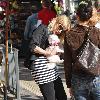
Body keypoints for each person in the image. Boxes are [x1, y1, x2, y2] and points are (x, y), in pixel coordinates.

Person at [64, 1, 100, 100]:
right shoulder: (97, 32)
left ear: (77, 15)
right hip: (95, 77)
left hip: (77, 78)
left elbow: (67, 62)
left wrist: (69, 84)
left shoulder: (69, 34)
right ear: (90, 16)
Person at [29, 16, 67, 100]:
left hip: (51, 66)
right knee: (50, 97)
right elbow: (33, 46)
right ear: (56, 22)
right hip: (40, 66)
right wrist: (47, 53)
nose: (60, 31)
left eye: (63, 30)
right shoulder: (43, 28)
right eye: (60, 27)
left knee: (62, 96)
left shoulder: (55, 34)